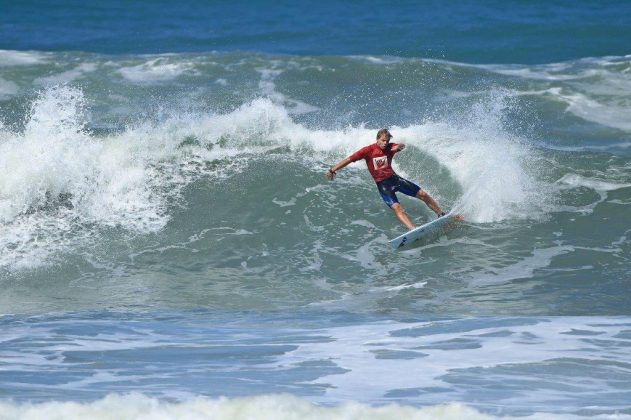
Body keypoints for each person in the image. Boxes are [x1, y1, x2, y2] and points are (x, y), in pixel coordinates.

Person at [326, 128, 446, 230]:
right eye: (383, 140)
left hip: (395, 180)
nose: (385, 143)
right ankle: (412, 230)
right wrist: (332, 170)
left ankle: (441, 214)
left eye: (387, 141)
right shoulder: (367, 150)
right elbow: (349, 160)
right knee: (397, 207)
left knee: (423, 194)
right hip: (383, 186)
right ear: (377, 139)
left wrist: (399, 147)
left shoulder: (390, 147)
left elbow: (400, 146)